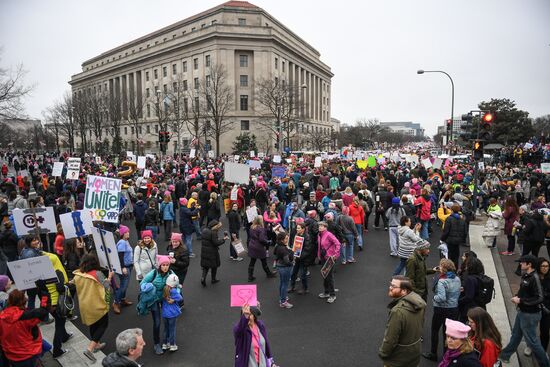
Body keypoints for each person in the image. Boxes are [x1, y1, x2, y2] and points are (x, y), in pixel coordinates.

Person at [499, 254, 550, 367]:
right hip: (523, 312)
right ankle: (504, 355)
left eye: (522, 262)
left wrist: (521, 300)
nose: (520, 264)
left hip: (530, 314)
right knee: (516, 334)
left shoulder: (534, 278)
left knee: (533, 341)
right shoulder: (526, 275)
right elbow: (525, 291)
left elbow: (539, 298)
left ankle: (545, 364)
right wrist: (518, 296)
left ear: (529, 264)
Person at [73, 254, 113, 362]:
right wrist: (109, 277)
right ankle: (90, 348)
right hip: (97, 304)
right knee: (103, 324)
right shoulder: (97, 274)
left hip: (84, 305)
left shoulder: (78, 274)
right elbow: (106, 286)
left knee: (93, 324)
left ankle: (97, 345)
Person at [378, 275, 426, 367]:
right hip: (414, 355)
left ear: (404, 291)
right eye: (390, 285)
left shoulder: (397, 311)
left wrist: (383, 353)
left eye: (393, 286)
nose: (390, 288)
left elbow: (390, 339)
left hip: (398, 360)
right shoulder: (419, 302)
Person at [422, 259, 461, 361]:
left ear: (443, 268)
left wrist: (434, 298)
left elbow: (441, 297)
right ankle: (446, 355)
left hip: (441, 309)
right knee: (447, 332)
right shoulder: (457, 279)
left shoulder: (442, 281)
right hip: (453, 309)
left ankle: (433, 353)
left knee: (435, 330)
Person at [0, 289, 49, 367]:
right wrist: (44, 295)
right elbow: (43, 312)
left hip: (11, 356)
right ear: (23, 301)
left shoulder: (2, 316)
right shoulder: (26, 316)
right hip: (28, 354)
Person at [140, 255, 174, 355]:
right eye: (163, 265)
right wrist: (148, 286)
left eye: (167, 265)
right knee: (157, 322)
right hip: (154, 299)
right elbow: (143, 283)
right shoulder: (154, 273)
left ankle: (167, 341)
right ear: (160, 266)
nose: (165, 267)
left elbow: (177, 284)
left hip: (165, 299)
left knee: (168, 320)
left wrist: (175, 295)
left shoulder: (171, 273)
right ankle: (156, 344)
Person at [247, 216, 277, 282]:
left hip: (252, 245)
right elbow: (262, 239)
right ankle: (269, 274)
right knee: (264, 261)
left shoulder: (252, 227)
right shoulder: (261, 229)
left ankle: (250, 276)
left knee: (252, 261)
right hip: (259, 247)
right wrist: (268, 241)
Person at [317, 221, 341, 304]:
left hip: (330, 258)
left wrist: (335, 254)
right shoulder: (319, 234)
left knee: (329, 276)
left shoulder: (329, 234)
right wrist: (319, 255)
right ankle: (326, 292)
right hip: (323, 258)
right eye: (319, 226)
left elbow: (337, 243)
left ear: (325, 227)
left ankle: (332, 295)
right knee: (324, 275)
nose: (319, 227)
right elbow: (319, 246)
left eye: (321, 226)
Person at [289, 221, 314, 294]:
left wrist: (298, 256)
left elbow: (307, 250)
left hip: (304, 259)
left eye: (298, 228)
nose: (297, 229)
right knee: (293, 273)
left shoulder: (307, 237)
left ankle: (305, 289)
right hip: (297, 258)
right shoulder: (297, 235)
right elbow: (295, 246)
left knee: (303, 275)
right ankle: (292, 287)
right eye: (297, 228)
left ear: (303, 229)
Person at [200, 220, 228, 286]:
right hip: (212, 252)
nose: (219, 228)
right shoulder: (213, 233)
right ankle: (213, 279)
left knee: (205, 266)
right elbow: (216, 243)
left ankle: (203, 278)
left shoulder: (204, 230)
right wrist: (224, 239)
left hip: (204, 250)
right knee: (214, 266)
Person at [114, 225, 134, 315]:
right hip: (124, 267)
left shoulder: (126, 241)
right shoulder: (122, 242)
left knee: (125, 285)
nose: (128, 233)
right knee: (123, 286)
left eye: (128, 232)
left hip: (128, 266)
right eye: (126, 232)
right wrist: (123, 268)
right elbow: (120, 256)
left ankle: (122, 300)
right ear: (122, 234)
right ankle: (116, 303)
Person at [441, 204, 468, 268]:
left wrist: (442, 239)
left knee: (449, 255)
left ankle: (449, 268)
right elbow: (465, 231)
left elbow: (446, 231)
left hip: (450, 240)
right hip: (458, 241)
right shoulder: (462, 220)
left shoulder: (449, 219)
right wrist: (463, 240)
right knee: (456, 256)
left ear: (451, 210)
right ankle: (455, 268)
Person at [161, 274, 182, 352]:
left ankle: (165, 344)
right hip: (172, 314)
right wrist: (179, 289)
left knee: (166, 329)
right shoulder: (173, 291)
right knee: (172, 329)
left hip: (165, 314)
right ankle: (172, 345)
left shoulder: (164, 289)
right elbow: (180, 297)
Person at [273, 231, 294, 309]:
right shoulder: (283, 249)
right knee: (285, 284)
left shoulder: (277, 245)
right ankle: (283, 301)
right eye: (286, 238)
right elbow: (287, 261)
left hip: (280, 266)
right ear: (282, 240)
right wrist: (292, 261)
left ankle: (282, 296)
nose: (287, 239)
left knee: (282, 283)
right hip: (285, 268)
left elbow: (275, 253)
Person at [537, 257, 550, 353]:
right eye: (543, 266)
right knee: (531, 329)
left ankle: (543, 349)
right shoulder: (535, 277)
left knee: (545, 330)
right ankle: (530, 346)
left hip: (547, 309)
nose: (545, 268)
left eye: (547, 266)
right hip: (535, 307)